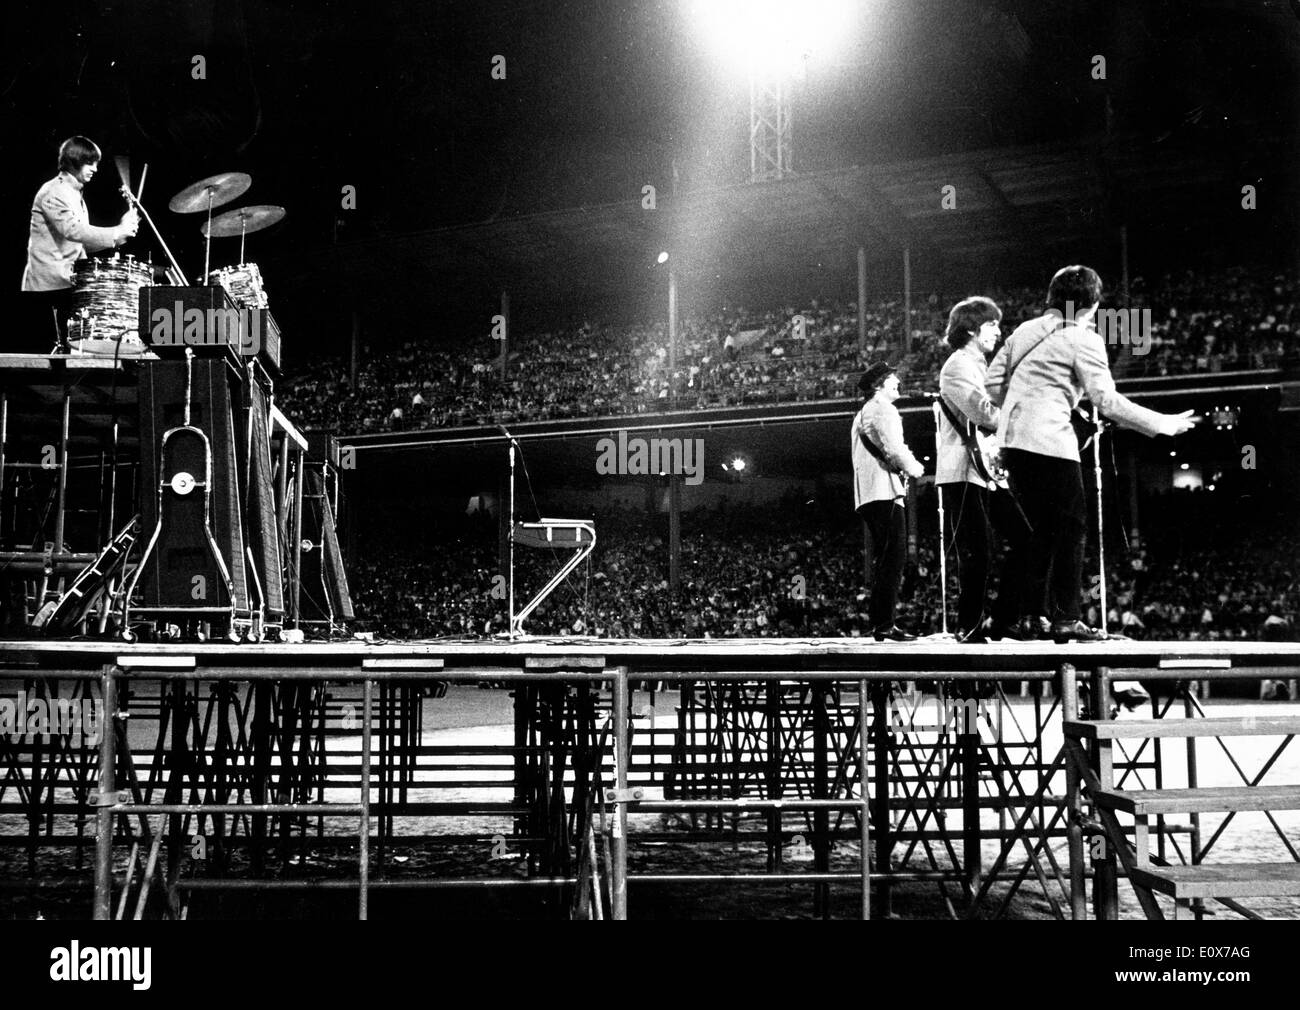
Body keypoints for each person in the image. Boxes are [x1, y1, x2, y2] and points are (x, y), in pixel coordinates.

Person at [985, 265, 1196, 643]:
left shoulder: (1024, 331)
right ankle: (1066, 617)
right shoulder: (1083, 337)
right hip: (1051, 442)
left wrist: (1024, 405)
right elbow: (1106, 400)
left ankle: (1031, 617)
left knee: (1039, 532)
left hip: (1012, 441)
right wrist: (1161, 424)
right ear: (1088, 304)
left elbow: (992, 382)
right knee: (1071, 527)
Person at [937, 296, 1030, 643]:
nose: (997, 331)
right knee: (977, 552)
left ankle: (1005, 619)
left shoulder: (981, 366)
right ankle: (970, 626)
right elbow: (985, 414)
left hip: (985, 469)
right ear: (972, 328)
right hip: (962, 470)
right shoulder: (958, 365)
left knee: (1025, 537)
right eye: (991, 325)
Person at [20, 136, 138, 347]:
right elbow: (73, 230)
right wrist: (115, 231)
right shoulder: (54, 191)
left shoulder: (73, 193)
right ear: (73, 161)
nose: (95, 169)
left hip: (65, 282)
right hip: (49, 286)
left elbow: (81, 244)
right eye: (89, 163)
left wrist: (119, 237)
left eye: (96, 164)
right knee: (54, 354)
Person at [851, 362, 925, 641]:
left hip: (870, 493)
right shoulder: (883, 409)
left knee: (887, 557)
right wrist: (916, 468)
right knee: (894, 556)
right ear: (878, 385)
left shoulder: (863, 413)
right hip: (884, 490)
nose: (898, 382)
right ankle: (884, 623)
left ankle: (881, 623)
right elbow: (895, 449)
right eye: (892, 379)